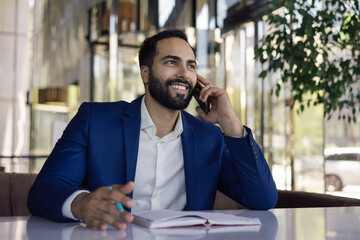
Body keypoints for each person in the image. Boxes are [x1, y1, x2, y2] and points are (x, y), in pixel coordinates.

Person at [27, 30, 277, 231]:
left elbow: (262, 199)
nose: (184, 74)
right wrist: (81, 204)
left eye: (191, 66)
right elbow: (44, 190)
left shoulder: (209, 138)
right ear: (145, 73)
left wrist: (231, 124)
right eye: (171, 62)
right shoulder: (96, 120)